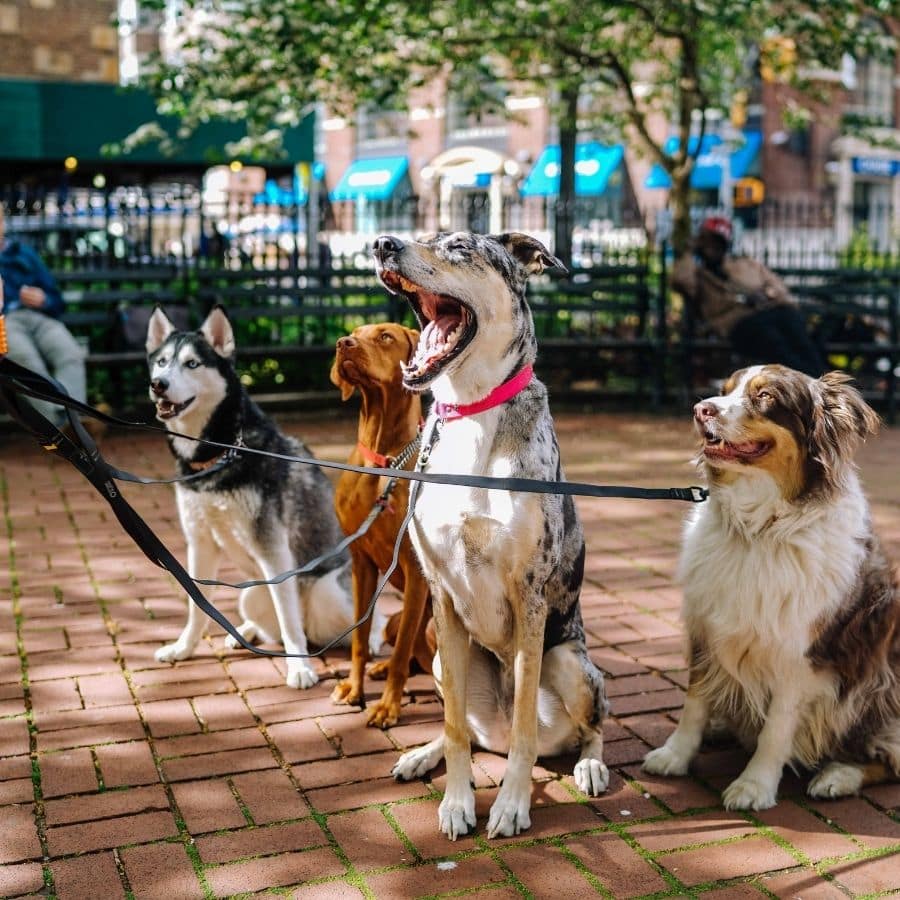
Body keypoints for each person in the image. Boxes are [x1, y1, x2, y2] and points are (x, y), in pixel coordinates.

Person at [672, 216, 828, 376]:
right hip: (737, 323)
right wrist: (690, 252)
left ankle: (818, 379)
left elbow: (776, 285)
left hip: (770, 310)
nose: (712, 247)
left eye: (717, 242)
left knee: (795, 329)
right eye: (707, 241)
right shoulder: (697, 275)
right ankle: (808, 380)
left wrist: (768, 295)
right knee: (773, 341)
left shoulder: (744, 265)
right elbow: (680, 281)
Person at [0, 207, 98, 432]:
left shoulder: (23, 253)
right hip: (6, 321)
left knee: (70, 353)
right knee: (26, 363)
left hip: (40, 317)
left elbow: (57, 300)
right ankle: (63, 426)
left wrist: (44, 299)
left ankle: (69, 420)